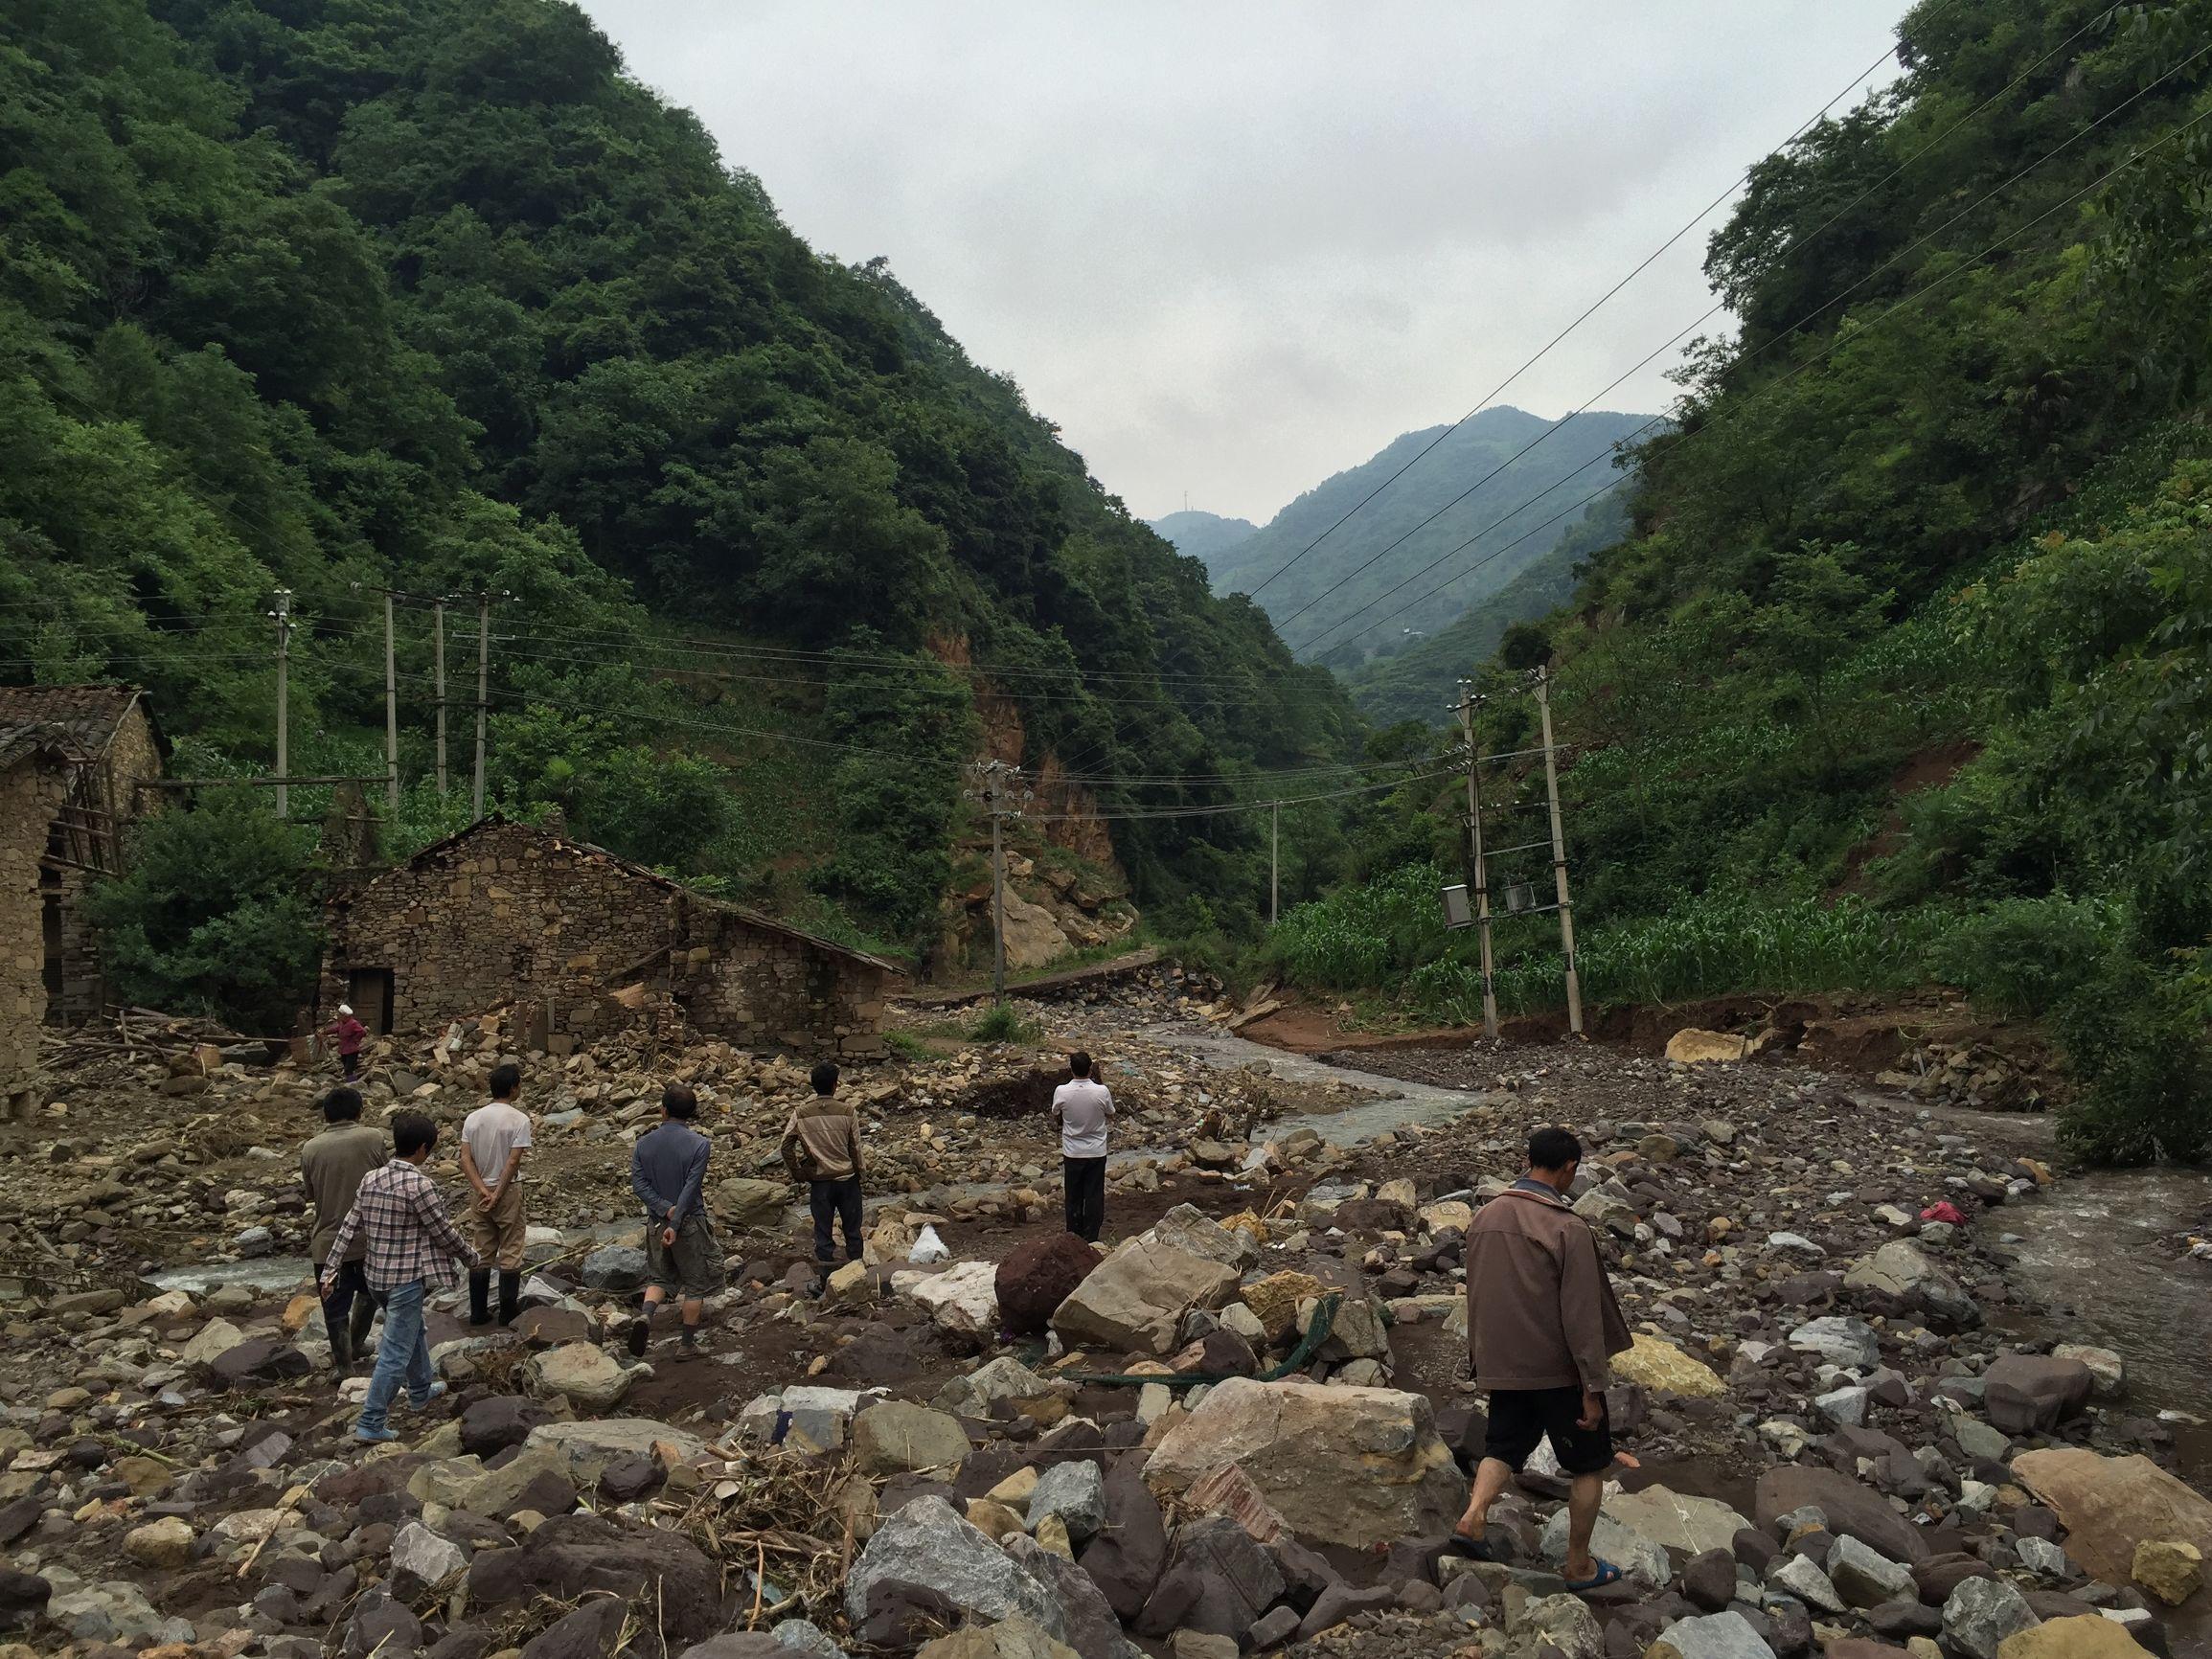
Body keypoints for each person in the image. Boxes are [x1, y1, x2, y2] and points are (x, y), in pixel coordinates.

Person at [1450, 1125, 1632, 1590]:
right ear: (1569, 1168)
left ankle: (1473, 1517)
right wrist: (1592, 1386)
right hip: (1556, 1371)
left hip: (1503, 1363)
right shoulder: (1567, 1227)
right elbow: (1581, 1317)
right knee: (1589, 1465)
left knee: (1503, 1446)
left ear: (1530, 1159)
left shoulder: (1486, 1215)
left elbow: (1479, 1293)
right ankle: (1578, 1566)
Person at [321, 1111, 479, 1444]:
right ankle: (371, 1421)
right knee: (395, 1350)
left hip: (376, 1277)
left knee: (412, 1329)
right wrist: (471, 1257)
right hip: (405, 1280)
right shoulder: (420, 1185)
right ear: (422, 1149)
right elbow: (443, 1232)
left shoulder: (371, 1178)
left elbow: (351, 1224)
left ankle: (420, 1389)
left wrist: (332, 1267)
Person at [629, 1082, 722, 1354]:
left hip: (656, 1223)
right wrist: (677, 1217)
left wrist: (663, 1209)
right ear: (691, 1112)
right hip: (690, 1222)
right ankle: (687, 1345)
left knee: (658, 1277)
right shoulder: (700, 1145)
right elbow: (691, 1187)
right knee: (695, 1284)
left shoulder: (643, 1144)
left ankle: (646, 1314)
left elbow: (639, 1184)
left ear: (663, 1110)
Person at [299, 1085, 384, 1375]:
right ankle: (357, 1342)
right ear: (360, 1111)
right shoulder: (373, 1138)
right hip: (369, 1238)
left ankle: (344, 1366)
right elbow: (387, 1178)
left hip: (327, 1240)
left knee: (334, 1306)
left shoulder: (310, 1148)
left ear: (326, 1115)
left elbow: (310, 1194)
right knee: (371, 1293)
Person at [459, 1062, 532, 1327]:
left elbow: (465, 1160)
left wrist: (482, 1190)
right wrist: (498, 1193)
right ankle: (507, 1313)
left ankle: (478, 1312)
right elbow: (512, 1162)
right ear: (513, 1088)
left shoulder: (473, 1118)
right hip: (508, 1190)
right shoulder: (519, 1119)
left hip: (479, 1191)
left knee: (482, 1248)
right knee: (511, 1248)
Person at [782, 1060, 864, 1271]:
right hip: (847, 1179)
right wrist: (860, 1172)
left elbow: (786, 1145)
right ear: (835, 1085)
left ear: (814, 1085)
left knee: (823, 1232)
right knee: (853, 1230)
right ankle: (857, 1272)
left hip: (820, 1182)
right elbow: (855, 1147)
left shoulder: (801, 1113)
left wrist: (798, 1173)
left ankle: (825, 1277)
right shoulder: (847, 1111)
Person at [1052, 1051, 1113, 1242]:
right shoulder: (1101, 1091)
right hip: (1096, 1150)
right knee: (1094, 1195)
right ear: (1090, 1069)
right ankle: (1092, 1237)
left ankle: (1074, 1236)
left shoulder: (1061, 1091)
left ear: (1071, 1069)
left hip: (1072, 1151)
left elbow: (1055, 1112)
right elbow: (1111, 1112)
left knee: (1073, 1196)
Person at [327, 1003, 368, 1081]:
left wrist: (355, 1039)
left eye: (341, 1015)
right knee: (346, 1068)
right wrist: (325, 1032)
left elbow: (362, 1031)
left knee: (349, 1069)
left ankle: (352, 1084)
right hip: (344, 1050)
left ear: (345, 1015)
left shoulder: (353, 1023)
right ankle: (350, 1082)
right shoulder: (342, 1023)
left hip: (352, 1050)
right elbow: (336, 1029)